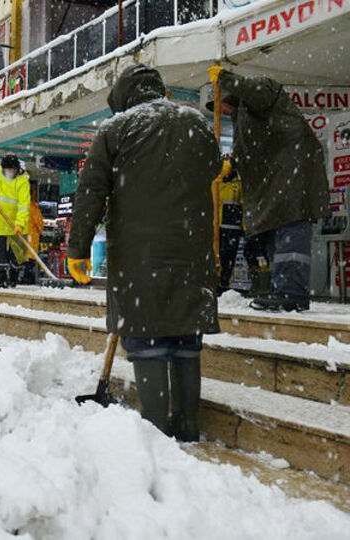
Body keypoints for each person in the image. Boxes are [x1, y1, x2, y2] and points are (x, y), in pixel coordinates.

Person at [68, 65, 221, 442]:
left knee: (148, 340)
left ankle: (156, 430)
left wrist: (78, 248)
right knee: (186, 339)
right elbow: (213, 166)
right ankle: (187, 425)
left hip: (140, 256)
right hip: (191, 253)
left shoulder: (116, 129)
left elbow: (91, 192)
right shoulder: (195, 122)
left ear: (122, 98)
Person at [208, 65, 331, 312]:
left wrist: (225, 78)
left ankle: (291, 293)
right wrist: (231, 166)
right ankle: (282, 290)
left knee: (290, 234)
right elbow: (250, 152)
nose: (220, 111)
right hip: (276, 183)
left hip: (291, 176)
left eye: (220, 106)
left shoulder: (263, 95)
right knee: (276, 236)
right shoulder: (243, 119)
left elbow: (258, 91)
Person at [0, 155, 32, 288]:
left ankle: (13, 278)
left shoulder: (22, 182)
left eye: (13, 169)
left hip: (15, 225)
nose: (10, 172)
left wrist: (20, 224)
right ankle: (1, 279)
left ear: (17, 169)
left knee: (17, 254)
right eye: (8, 169)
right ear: (3, 168)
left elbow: (24, 206)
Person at [214, 159, 244, 294]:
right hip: (225, 226)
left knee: (226, 257)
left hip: (229, 226)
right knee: (225, 257)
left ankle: (222, 283)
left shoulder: (235, 183)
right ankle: (222, 282)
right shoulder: (221, 182)